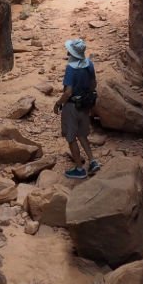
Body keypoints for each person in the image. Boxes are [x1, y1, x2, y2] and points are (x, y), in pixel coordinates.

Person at [53, 38, 100, 179]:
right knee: (82, 134)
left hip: (72, 107)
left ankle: (79, 169)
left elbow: (68, 92)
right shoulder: (89, 64)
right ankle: (92, 161)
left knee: (71, 137)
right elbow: (94, 83)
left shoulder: (71, 69)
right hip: (85, 105)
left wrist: (58, 103)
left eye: (69, 50)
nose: (67, 51)